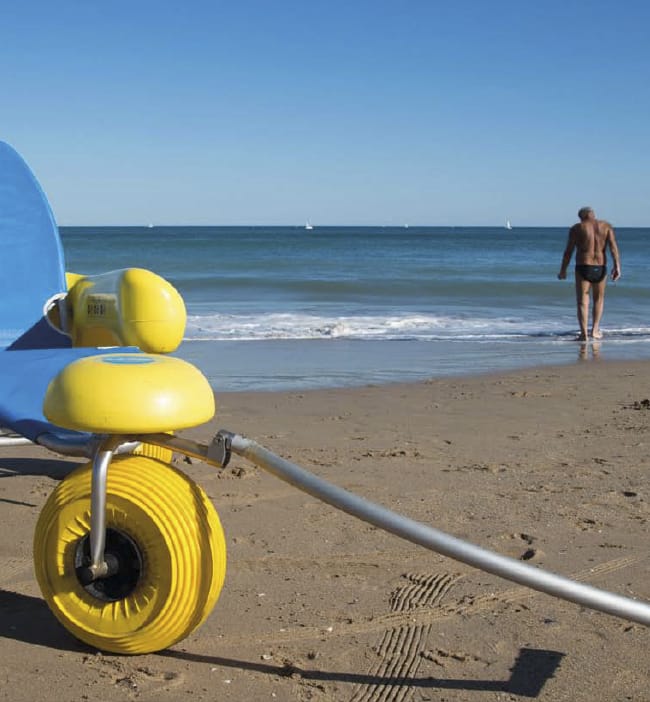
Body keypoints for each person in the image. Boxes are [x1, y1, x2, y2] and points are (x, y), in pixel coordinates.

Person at [558, 206, 621, 341]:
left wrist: (563, 270)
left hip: (583, 266)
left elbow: (568, 251)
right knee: (599, 299)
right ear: (593, 214)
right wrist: (617, 267)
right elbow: (613, 248)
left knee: (582, 302)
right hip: (601, 266)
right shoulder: (606, 226)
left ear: (582, 217)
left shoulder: (577, 228)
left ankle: (583, 334)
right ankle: (595, 330)